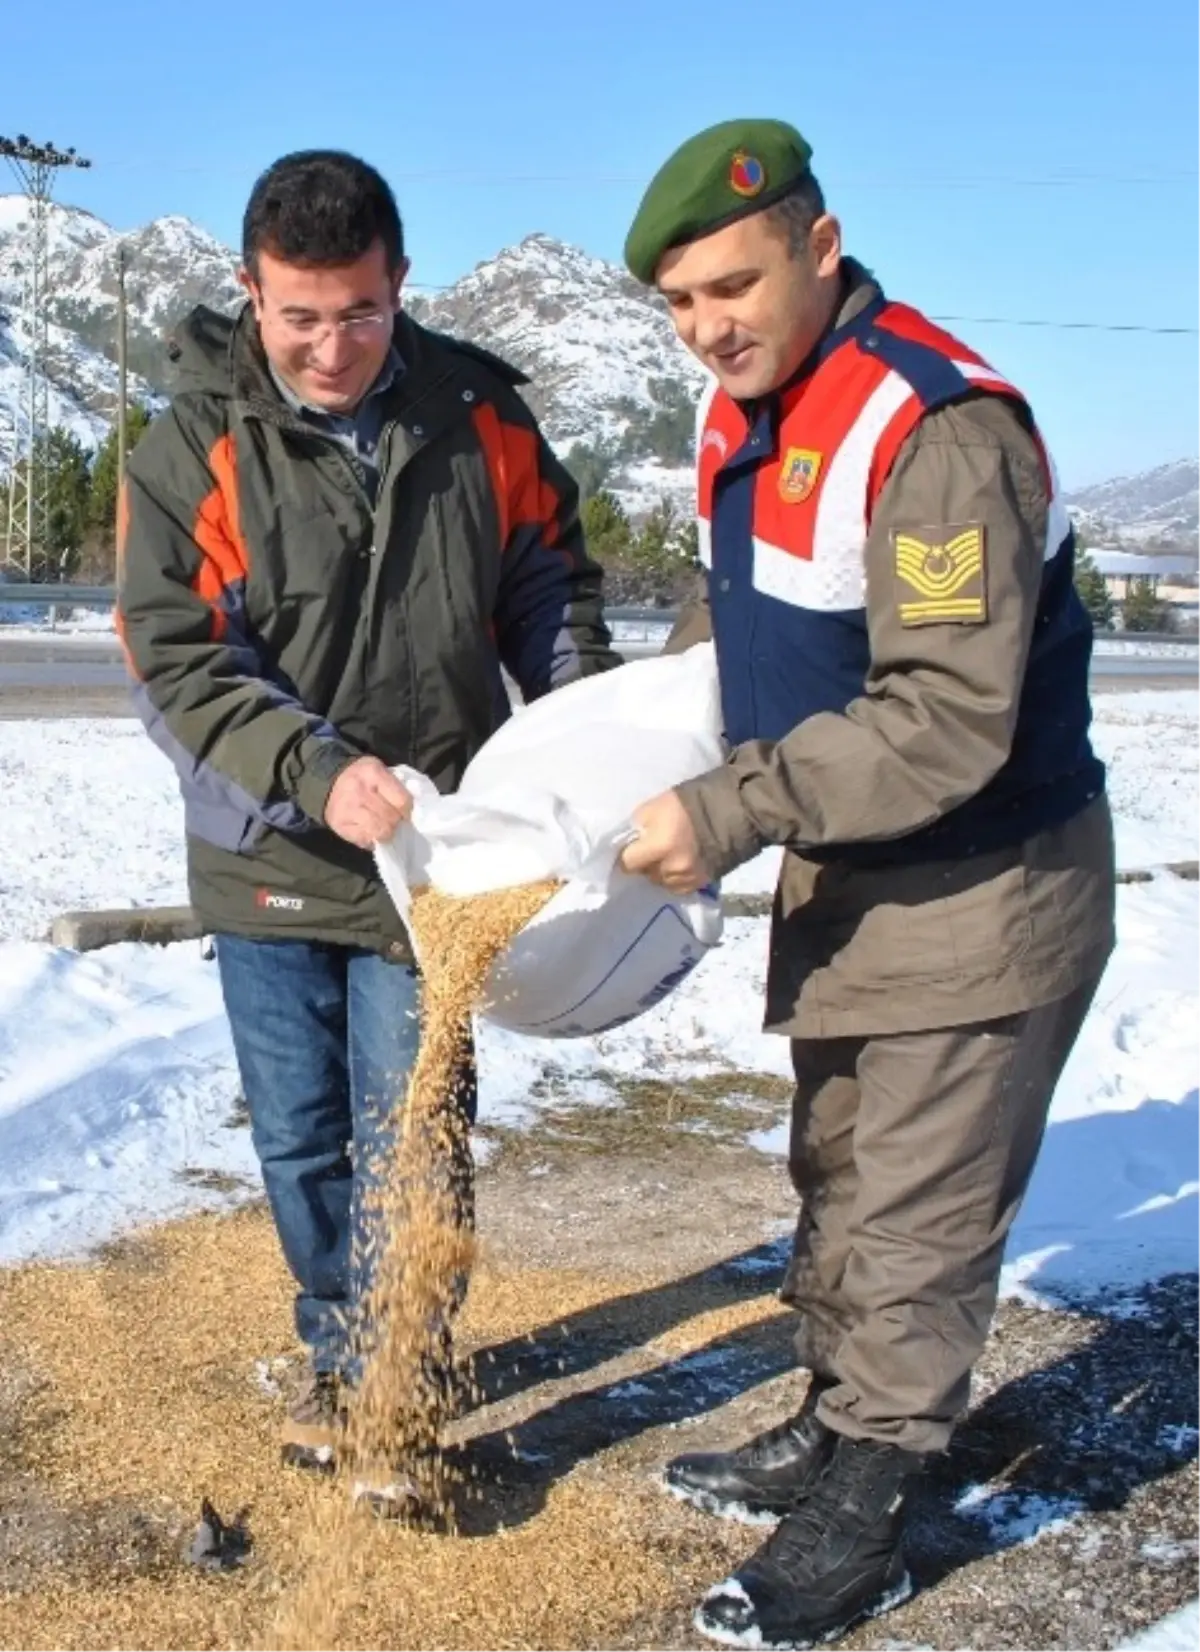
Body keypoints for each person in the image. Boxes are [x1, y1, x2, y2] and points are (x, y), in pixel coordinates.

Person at [620, 119, 1115, 1649]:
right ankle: (837, 1427)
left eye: (734, 286)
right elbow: (747, 623)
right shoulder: (747, 411)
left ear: (820, 250)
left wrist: (731, 806)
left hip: (983, 880)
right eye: (682, 303)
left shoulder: (933, 426)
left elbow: (946, 718)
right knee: (835, 1173)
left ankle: (871, 1510)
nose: (711, 327)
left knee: (915, 1212)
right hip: (852, 871)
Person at [116, 149, 620, 1486]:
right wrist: (312, 767)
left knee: (415, 1124)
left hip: (435, 855)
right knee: (296, 1135)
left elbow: (552, 596)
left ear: (400, 283)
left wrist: (584, 743)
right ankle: (340, 1360)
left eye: (359, 312)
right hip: (266, 849)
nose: (331, 346)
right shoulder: (190, 448)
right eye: (298, 316)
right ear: (249, 292)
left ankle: (402, 1378)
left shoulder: (482, 421)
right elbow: (177, 659)